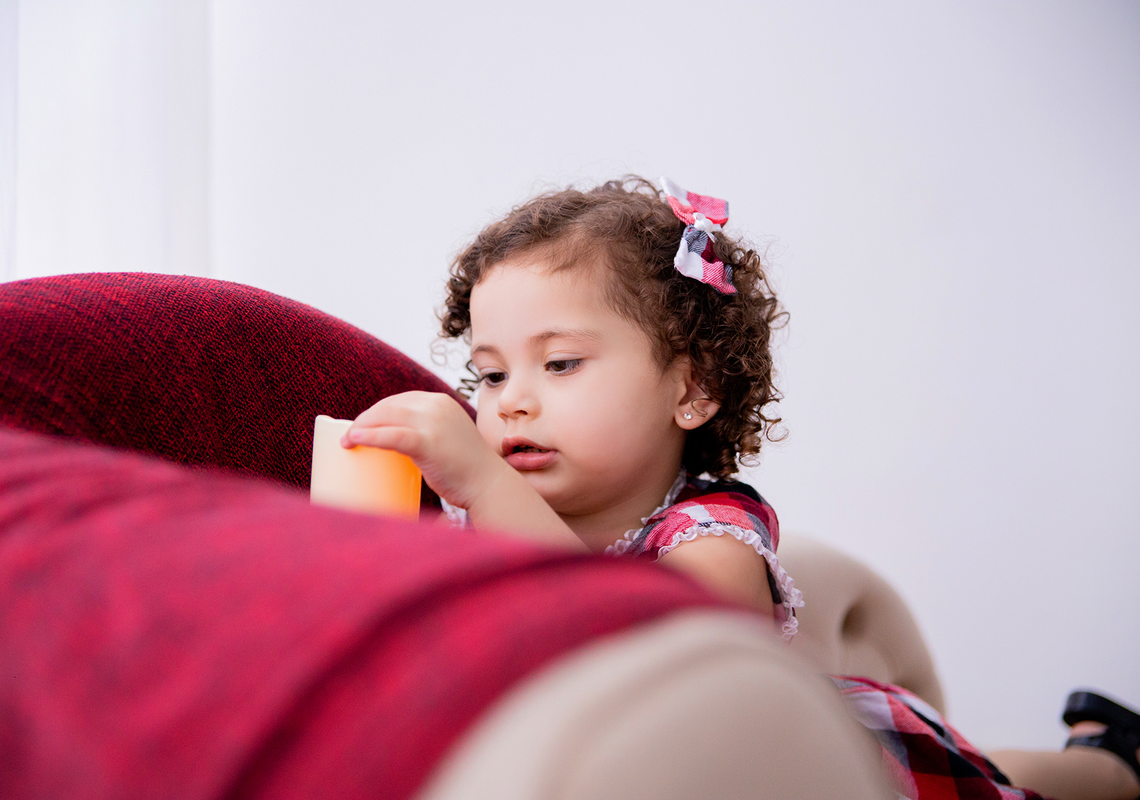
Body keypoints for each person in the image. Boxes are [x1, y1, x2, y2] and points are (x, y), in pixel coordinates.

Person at [342, 176, 1140, 800]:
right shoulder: (464, 512)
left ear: (690, 389)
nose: (511, 399)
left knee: (982, 781)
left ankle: (1114, 766)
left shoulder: (713, 533)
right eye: (488, 373)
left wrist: (483, 482)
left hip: (813, 765)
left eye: (560, 364)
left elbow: (648, 655)